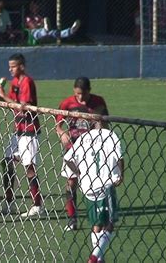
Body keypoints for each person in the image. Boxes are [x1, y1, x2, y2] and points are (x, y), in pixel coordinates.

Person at [64, 122, 124, 263]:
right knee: (109, 224)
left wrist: (79, 173)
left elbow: (67, 158)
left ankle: (99, 259)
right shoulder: (110, 135)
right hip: (105, 185)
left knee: (96, 224)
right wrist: (121, 175)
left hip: (87, 186)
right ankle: (93, 258)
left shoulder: (84, 137)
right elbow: (120, 157)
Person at [0, 53, 44, 217]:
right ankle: (9, 203)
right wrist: (0, 98)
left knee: (29, 167)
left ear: (21, 66)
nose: (10, 69)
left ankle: (37, 205)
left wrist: (2, 95)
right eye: (9, 66)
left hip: (29, 130)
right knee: (7, 162)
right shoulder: (14, 82)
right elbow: (12, 104)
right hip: (18, 131)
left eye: (13, 66)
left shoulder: (27, 82)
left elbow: (23, 107)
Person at [56, 77, 109, 231]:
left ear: (89, 90)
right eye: (77, 94)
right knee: (71, 182)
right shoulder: (67, 103)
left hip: (93, 150)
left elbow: (105, 123)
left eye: (83, 94)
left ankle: (100, 218)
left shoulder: (98, 101)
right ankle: (72, 219)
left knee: (95, 184)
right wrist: (61, 133)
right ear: (74, 91)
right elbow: (58, 123)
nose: (80, 98)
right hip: (73, 149)